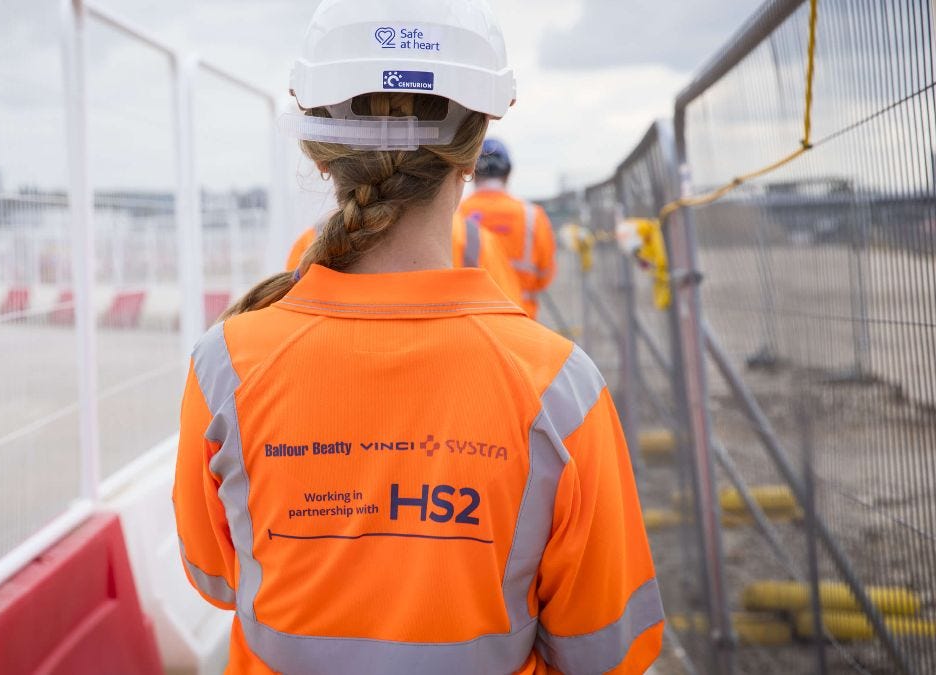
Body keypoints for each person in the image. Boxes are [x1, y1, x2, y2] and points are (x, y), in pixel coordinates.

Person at [173, 1, 663, 673]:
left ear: (319, 148)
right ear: (477, 139)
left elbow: (217, 578)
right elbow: (608, 649)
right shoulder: (560, 389)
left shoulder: (225, 363)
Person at [286, 214, 525, 307]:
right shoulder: (477, 239)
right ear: (469, 163)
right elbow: (511, 314)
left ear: (322, 162)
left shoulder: (311, 242)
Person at [459, 139, 558, 319]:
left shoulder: (456, 215)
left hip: (472, 323)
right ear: (507, 173)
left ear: (472, 170)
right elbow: (545, 274)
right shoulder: (532, 215)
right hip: (522, 321)